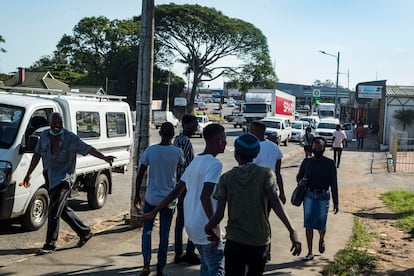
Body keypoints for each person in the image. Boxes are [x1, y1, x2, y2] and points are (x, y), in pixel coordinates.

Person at [205, 133, 301, 275]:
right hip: (259, 240)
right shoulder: (266, 174)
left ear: (236, 154)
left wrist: (209, 229)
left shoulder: (226, 178)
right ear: (256, 153)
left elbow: (219, 214)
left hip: (235, 240)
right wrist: (292, 230)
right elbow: (275, 203)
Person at [23, 112, 115, 255]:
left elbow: (88, 148)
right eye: (54, 124)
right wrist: (28, 173)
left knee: (53, 210)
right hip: (50, 177)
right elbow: (37, 155)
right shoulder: (44, 137)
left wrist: (104, 157)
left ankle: (50, 244)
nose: (56, 127)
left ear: (62, 124)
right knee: (62, 210)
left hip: (64, 179)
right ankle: (84, 232)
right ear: (50, 123)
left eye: (59, 124)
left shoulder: (70, 138)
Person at [140, 124, 227, 276]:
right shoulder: (215, 164)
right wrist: (212, 227)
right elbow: (205, 197)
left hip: (192, 228)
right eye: (225, 140)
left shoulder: (196, 161)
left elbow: (175, 192)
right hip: (206, 228)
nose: (226, 143)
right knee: (216, 270)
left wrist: (153, 212)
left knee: (206, 268)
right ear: (219, 141)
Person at [134, 122, 184, 276]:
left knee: (147, 231)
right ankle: (160, 269)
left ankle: (146, 265)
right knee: (164, 234)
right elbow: (182, 169)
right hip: (169, 199)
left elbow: (141, 173)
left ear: (160, 133)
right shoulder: (177, 152)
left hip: (151, 198)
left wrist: (137, 194)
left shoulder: (150, 151)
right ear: (172, 135)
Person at [296, 137, 339, 261]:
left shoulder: (330, 163)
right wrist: (300, 181)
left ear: (324, 149)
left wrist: (336, 202)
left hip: (323, 196)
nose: (317, 151)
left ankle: (321, 239)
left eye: (319, 149)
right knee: (308, 224)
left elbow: (334, 184)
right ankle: (309, 251)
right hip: (309, 195)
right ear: (312, 149)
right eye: (315, 149)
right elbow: (298, 176)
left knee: (321, 224)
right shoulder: (307, 162)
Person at [173, 114, 200, 265]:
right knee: (190, 218)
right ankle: (189, 251)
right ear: (186, 125)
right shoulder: (185, 141)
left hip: (180, 184)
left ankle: (178, 252)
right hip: (186, 185)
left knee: (181, 220)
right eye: (193, 125)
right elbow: (184, 165)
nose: (195, 128)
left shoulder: (178, 140)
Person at [249, 120, 286, 204]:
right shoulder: (274, 147)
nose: (249, 133)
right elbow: (278, 172)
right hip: (272, 188)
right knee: (265, 215)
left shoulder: (252, 148)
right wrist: (282, 193)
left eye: (250, 131)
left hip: (256, 189)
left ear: (256, 132)